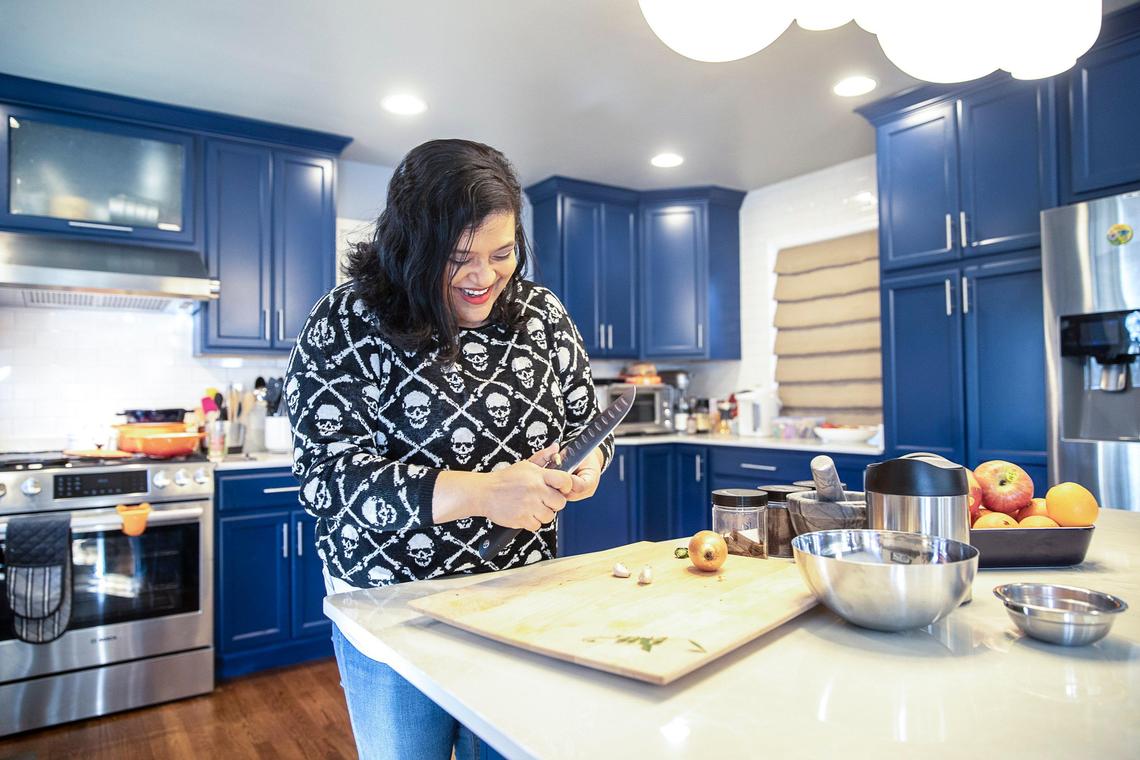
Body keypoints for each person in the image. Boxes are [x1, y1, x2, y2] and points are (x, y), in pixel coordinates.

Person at [286, 138, 612, 759]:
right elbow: (328, 483)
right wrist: (488, 494)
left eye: (503, 253)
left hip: (519, 601)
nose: (485, 277)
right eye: (458, 258)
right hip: (393, 609)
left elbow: (586, 422)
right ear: (410, 246)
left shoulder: (541, 315)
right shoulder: (345, 322)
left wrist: (586, 462)